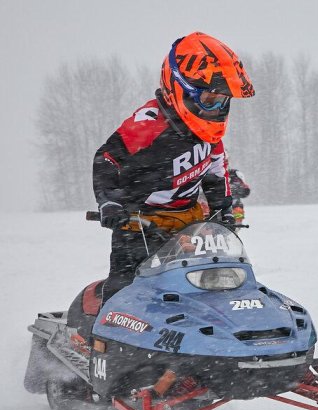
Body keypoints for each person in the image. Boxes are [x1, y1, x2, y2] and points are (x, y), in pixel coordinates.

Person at [92, 32, 255, 301]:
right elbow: (106, 159)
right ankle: (97, 339)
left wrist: (223, 208)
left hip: (189, 224)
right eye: (211, 100)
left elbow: (216, 171)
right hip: (140, 225)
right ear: (182, 90)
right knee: (125, 290)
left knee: (211, 286)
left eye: (224, 101)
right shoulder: (148, 124)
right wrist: (110, 203)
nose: (217, 109)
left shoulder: (209, 133)